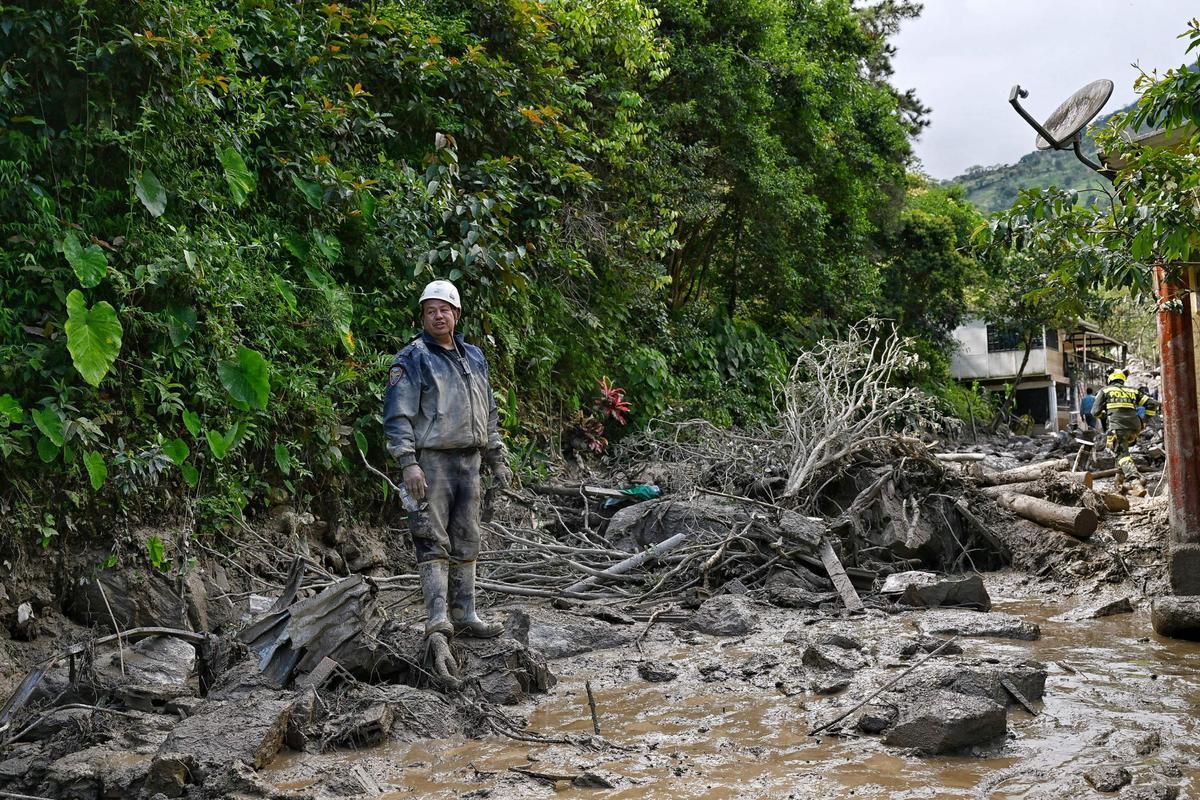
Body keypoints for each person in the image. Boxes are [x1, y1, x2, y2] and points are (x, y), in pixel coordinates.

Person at [383, 280, 513, 639]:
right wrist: (408, 462)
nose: (438, 316)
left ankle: (466, 613)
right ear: (423, 316)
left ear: (456, 314)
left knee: (467, 537)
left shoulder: (474, 356)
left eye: (444, 309)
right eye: (430, 310)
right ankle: (437, 616)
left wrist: (497, 459)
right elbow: (398, 416)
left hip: (469, 461)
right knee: (431, 536)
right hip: (432, 462)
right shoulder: (412, 359)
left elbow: (489, 411)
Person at [1093, 369, 1152, 496]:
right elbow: (1152, 403)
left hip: (1118, 427)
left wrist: (1104, 415)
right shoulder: (1132, 391)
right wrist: (1145, 420)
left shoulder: (1105, 391)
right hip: (1135, 426)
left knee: (1121, 453)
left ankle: (1135, 481)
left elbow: (1095, 411)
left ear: (1110, 379)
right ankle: (1119, 486)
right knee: (1121, 452)